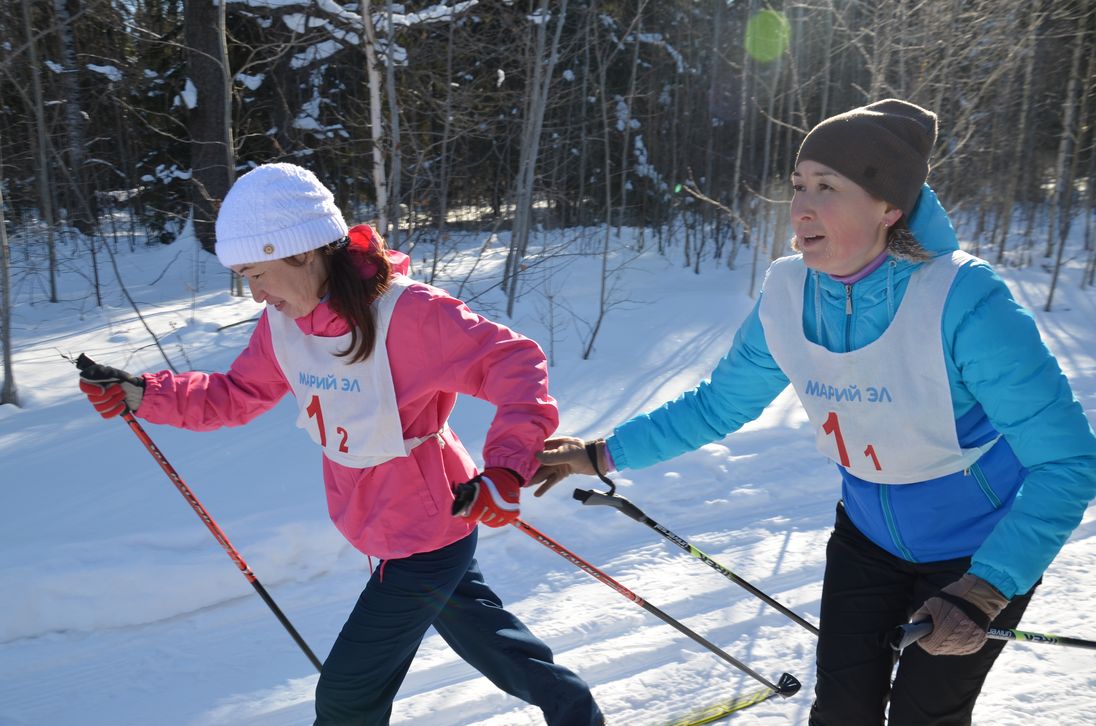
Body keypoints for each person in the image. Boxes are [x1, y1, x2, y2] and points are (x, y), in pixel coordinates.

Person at [532, 99, 1096, 725]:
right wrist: (602, 453)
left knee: (925, 718)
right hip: (866, 542)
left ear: (889, 208)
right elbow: (719, 404)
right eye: (799, 184)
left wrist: (988, 585)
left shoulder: (963, 299)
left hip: (976, 553)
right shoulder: (787, 291)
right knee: (839, 716)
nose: (800, 206)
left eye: (828, 188)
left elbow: (1068, 462)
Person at [77, 163, 603, 726]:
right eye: (243, 278)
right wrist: (142, 394)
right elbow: (236, 395)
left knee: (346, 698)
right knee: (496, 647)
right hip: (380, 525)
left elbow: (516, 362)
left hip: (427, 536)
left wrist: (506, 470)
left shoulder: (410, 314)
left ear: (304, 253)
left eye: (257, 273)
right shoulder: (285, 324)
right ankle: (577, 714)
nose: (255, 294)